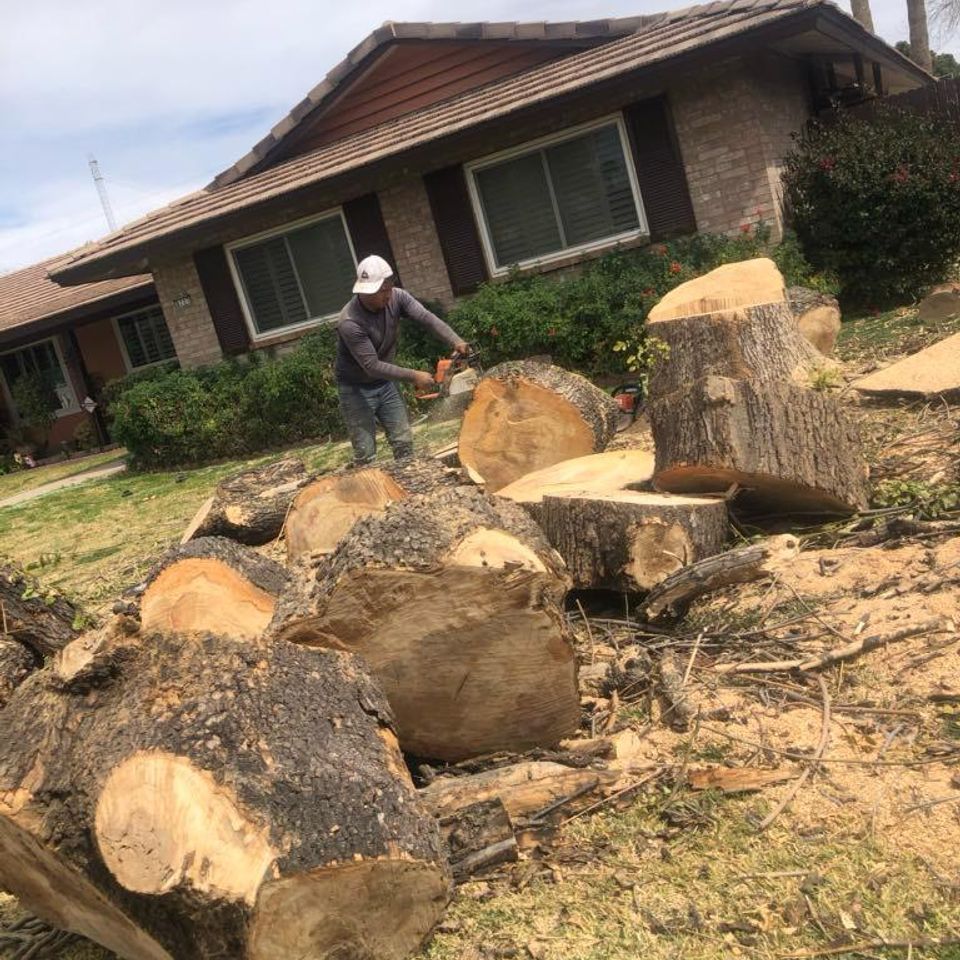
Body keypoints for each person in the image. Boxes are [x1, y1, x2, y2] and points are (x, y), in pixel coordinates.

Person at [335, 254, 469, 465]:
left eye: (388, 289)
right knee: (366, 453)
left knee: (403, 441)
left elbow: (426, 318)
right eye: (380, 292)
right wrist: (414, 376)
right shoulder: (350, 321)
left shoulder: (398, 297)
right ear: (364, 291)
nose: (386, 296)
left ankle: (409, 487)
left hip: (386, 383)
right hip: (356, 389)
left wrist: (455, 340)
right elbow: (371, 366)